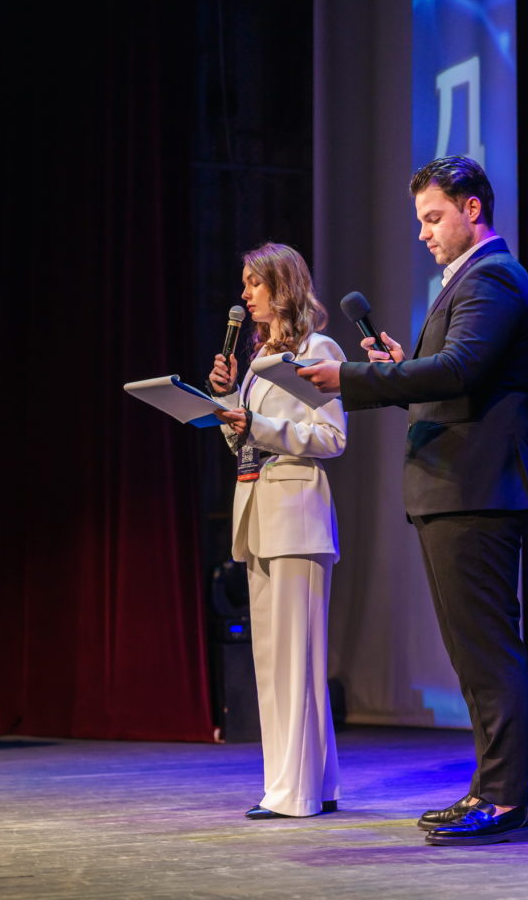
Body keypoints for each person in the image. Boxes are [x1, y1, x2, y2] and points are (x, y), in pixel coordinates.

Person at [298, 156, 528, 845]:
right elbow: (453, 379)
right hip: (456, 488)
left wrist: (350, 378)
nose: (423, 233)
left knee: (487, 651)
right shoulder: (471, 280)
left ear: (472, 209)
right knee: (473, 654)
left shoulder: (492, 277)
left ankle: (504, 801)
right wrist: (399, 369)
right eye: (420, 221)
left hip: (475, 488)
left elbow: (460, 370)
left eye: (433, 218)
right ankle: (490, 791)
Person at [208, 242, 347, 820]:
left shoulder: (318, 350)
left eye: (254, 283)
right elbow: (244, 441)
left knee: (295, 659)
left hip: (296, 514)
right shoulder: (260, 357)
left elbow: (332, 437)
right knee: (274, 658)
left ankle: (293, 793)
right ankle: (314, 783)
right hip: (259, 510)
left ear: (281, 286)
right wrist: (224, 399)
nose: (244, 294)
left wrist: (258, 423)